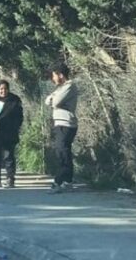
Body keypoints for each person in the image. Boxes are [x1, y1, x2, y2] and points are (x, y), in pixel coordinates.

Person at [45, 62, 78, 193]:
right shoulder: (60, 88)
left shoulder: (69, 86)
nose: (53, 79)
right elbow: (48, 101)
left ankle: (59, 181)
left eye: (54, 75)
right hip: (59, 124)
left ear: (60, 74)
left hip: (66, 124)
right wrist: (53, 98)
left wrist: (54, 99)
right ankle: (67, 181)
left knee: (62, 152)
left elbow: (56, 101)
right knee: (63, 152)